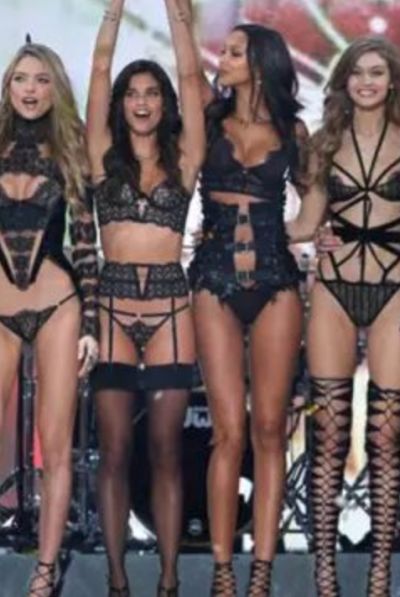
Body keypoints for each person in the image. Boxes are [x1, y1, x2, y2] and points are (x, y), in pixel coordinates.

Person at [286, 36, 400, 597]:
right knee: (327, 433)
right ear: (344, 80)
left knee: (387, 434)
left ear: (392, 81)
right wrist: (239, 233)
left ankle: (379, 575)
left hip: (394, 285)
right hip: (335, 286)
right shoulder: (325, 142)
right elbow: (306, 223)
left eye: (377, 72)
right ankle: (324, 575)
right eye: (358, 73)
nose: (367, 82)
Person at [84, 0, 203, 594]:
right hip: (110, 305)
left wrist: (178, 14)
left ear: (165, 102)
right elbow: (99, 68)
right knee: (113, 450)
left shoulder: (186, 157)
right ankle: (116, 580)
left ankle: (169, 579)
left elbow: (192, 77)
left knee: (165, 450)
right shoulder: (101, 156)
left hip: (170, 309)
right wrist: (114, 9)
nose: (141, 101)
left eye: (152, 92)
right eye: (132, 93)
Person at [189, 22, 307, 596]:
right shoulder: (209, 119)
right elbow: (186, 67)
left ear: (260, 62)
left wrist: (308, 233)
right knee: (228, 431)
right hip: (213, 279)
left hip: (276, 280)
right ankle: (222, 571)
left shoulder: (293, 131)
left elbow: (316, 203)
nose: (224, 57)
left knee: (269, 429)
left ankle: (261, 571)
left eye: (236, 51)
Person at [0, 39, 98, 596]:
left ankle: (45, 570)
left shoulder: (70, 148)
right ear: (8, 87)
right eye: (20, 79)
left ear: (55, 88)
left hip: (58, 305)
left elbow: (85, 245)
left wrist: (91, 327)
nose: (30, 89)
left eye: (40, 80)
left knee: (55, 445)